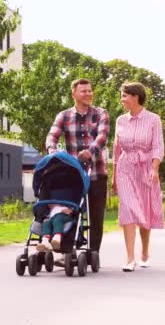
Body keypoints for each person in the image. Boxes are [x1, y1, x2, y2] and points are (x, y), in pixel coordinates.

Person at [46, 78, 110, 258]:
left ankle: (93, 253)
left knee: (96, 218)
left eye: (90, 90)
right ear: (74, 93)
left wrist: (90, 151)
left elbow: (102, 138)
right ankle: (68, 251)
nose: (88, 94)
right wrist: (52, 150)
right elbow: (52, 135)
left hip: (96, 173)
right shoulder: (64, 116)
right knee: (70, 211)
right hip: (74, 175)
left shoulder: (101, 113)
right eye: (84, 91)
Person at [113, 82, 165, 272]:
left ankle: (144, 252)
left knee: (144, 210)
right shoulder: (120, 120)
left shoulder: (153, 119)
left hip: (145, 168)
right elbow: (116, 147)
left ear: (136, 97)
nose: (122, 99)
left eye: (124, 95)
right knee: (128, 209)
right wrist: (114, 175)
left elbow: (158, 145)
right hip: (125, 168)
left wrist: (155, 168)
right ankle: (129, 258)